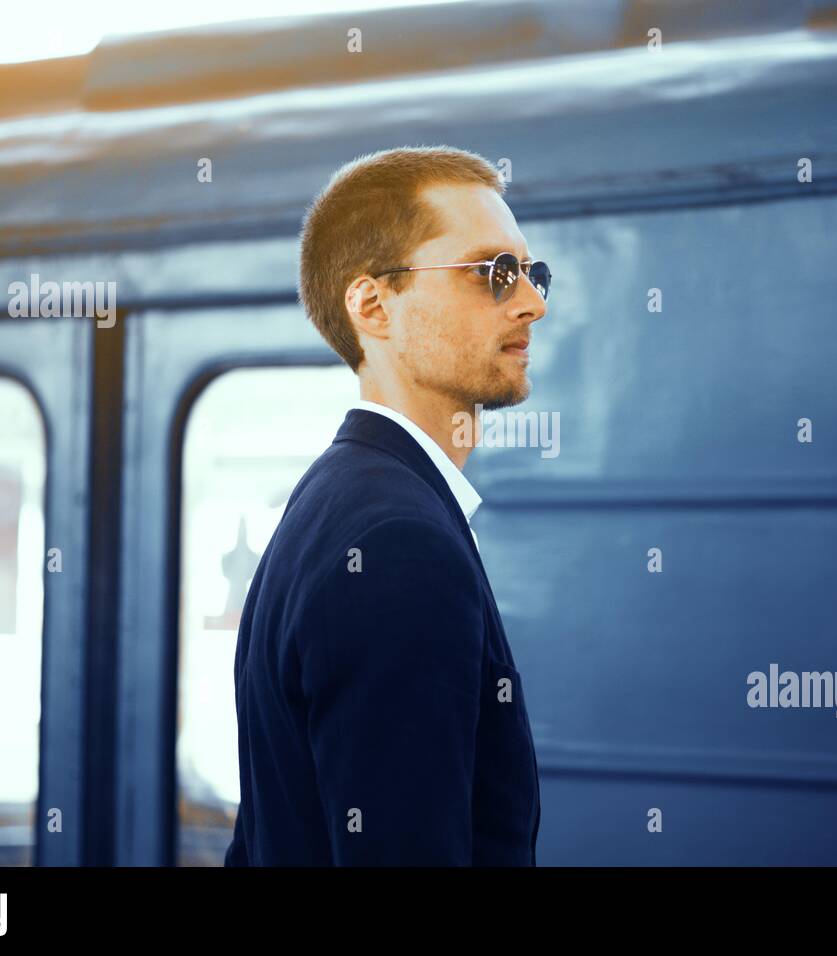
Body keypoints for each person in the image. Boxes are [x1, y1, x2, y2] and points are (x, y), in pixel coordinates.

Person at [225, 145, 550, 865]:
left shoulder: (331, 502)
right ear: (374, 305)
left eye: (532, 272)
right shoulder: (400, 541)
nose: (531, 300)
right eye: (492, 273)